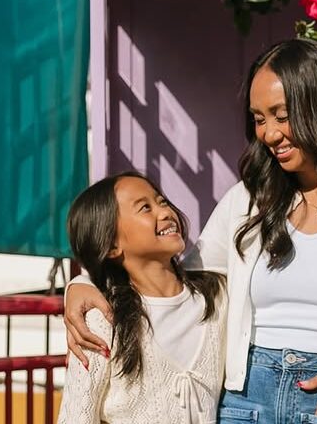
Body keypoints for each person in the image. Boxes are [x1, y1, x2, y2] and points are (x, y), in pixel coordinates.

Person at [65, 39, 317, 424]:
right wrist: (86, 285)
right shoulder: (247, 201)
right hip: (245, 404)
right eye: (259, 119)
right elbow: (178, 279)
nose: (269, 134)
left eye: (281, 115)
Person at [58, 171, 225, 424]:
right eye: (145, 208)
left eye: (162, 201)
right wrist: (77, 284)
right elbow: (76, 416)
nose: (165, 212)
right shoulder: (101, 321)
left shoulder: (218, 299)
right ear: (112, 245)